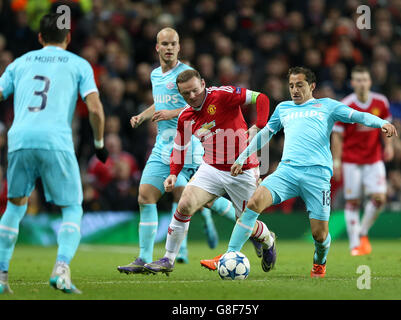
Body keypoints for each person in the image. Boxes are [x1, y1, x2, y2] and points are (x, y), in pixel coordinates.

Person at [228, 66, 397, 278]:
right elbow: (265, 134)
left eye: (299, 85)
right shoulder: (283, 108)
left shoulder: (326, 106)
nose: (294, 90)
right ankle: (230, 254)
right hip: (287, 171)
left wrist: (381, 122)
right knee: (253, 203)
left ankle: (320, 261)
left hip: (317, 176)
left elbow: (358, 116)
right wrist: (243, 158)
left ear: (312, 86)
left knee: (320, 234)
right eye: (291, 86)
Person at [0, 13, 108, 294]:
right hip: (56, 141)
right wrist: (98, 143)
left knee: (15, 206)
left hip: (20, 139)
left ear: (39, 38)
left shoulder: (20, 63)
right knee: (72, 207)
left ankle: (0, 276)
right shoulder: (79, 64)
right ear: (68, 38)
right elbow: (95, 109)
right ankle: (61, 269)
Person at [117, 28, 237, 273]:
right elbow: (160, 103)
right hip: (163, 145)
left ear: (179, 47)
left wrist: (171, 114)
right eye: (165, 44)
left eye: (173, 44)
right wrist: (143, 115)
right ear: (157, 48)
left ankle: (255, 227)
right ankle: (142, 259)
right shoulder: (154, 75)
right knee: (145, 196)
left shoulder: (186, 74)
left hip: (188, 145)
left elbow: (201, 106)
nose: (169, 48)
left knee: (204, 201)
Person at [143, 69, 276, 275]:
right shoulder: (186, 116)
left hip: (243, 168)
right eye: (186, 93)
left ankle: (268, 240)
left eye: (195, 90)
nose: (192, 96)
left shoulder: (223, 95)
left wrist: (259, 125)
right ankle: (168, 259)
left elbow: (261, 98)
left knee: (246, 222)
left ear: (203, 84)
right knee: (185, 203)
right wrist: (173, 173)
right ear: (181, 94)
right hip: (211, 168)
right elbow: (179, 148)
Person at [331, 66, 394, 256]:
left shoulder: (381, 102)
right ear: (352, 83)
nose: (361, 83)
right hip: (351, 160)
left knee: (380, 199)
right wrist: (337, 161)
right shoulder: (346, 104)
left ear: (370, 82)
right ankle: (354, 245)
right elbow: (338, 136)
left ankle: (362, 232)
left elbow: (386, 126)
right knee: (353, 201)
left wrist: (389, 146)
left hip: (373, 159)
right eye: (357, 80)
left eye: (364, 79)